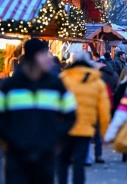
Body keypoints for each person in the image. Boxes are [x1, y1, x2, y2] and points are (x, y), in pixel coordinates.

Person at [0, 39, 76, 184]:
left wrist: (55, 136)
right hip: (16, 157)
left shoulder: (56, 85)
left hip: (45, 156)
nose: (49, 59)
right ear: (32, 57)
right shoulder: (11, 85)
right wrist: (11, 138)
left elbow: (71, 115)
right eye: (44, 54)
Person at [58, 52, 111, 184]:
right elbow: (104, 110)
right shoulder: (97, 82)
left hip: (64, 128)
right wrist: (105, 133)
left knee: (62, 162)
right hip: (86, 128)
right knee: (79, 164)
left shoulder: (63, 78)